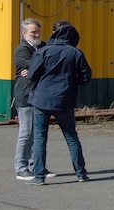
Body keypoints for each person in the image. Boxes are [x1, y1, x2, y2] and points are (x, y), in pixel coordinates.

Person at [25, 20, 93, 185]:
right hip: (64, 99)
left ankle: (39, 177)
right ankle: (81, 173)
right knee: (71, 137)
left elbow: (32, 74)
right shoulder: (75, 53)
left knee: (40, 138)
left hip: (42, 99)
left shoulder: (43, 51)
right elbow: (85, 77)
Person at [12, 18, 52, 181]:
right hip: (26, 95)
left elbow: (49, 66)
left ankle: (38, 166)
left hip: (40, 95)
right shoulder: (21, 50)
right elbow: (39, 67)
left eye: (38, 31)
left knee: (39, 133)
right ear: (24, 33)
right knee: (26, 133)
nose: (36, 34)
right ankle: (21, 168)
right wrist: (35, 69)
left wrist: (34, 70)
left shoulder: (43, 46)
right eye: (33, 32)